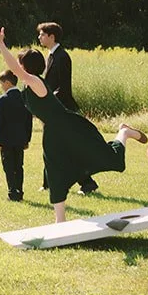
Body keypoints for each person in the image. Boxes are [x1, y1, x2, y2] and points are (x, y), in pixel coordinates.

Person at [0, 25, 146, 222]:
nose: (17, 67)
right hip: (53, 131)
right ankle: (60, 220)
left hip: (68, 126)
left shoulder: (36, 82)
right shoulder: (28, 86)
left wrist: (0, 42)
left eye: (20, 64)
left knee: (111, 160)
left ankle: (123, 133)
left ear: (24, 67)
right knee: (55, 172)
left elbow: (13, 67)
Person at [39, 21, 98, 195]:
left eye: (42, 34)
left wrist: (48, 102)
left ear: (52, 36)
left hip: (61, 109)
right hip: (53, 109)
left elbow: (63, 88)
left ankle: (88, 183)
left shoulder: (62, 57)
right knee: (52, 146)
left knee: (63, 147)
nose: (39, 37)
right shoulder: (51, 56)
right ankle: (49, 183)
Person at [0, 69, 32, 201]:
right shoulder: (24, 98)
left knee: (8, 166)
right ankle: (20, 191)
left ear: (8, 83)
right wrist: (27, 138)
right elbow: (28, 120)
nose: (1, 86)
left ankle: (12, 192)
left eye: (1, 83)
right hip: (20, 138)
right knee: (19, 166)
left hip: (6, 140)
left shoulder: (2, 100)